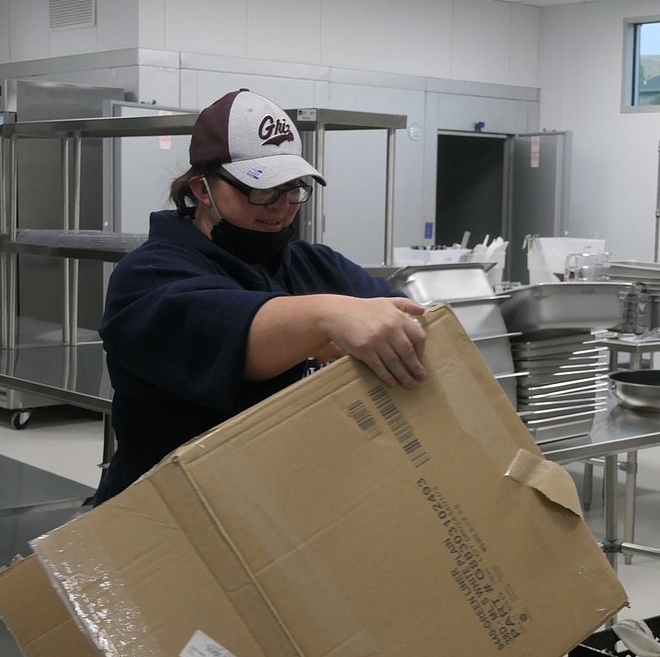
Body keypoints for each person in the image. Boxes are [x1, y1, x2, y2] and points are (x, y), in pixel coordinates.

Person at [93, 89, 427, 504]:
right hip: (170, 511)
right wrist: (327, 316)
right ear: (202, 189)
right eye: (261, 189)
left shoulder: (315, 266)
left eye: (293, 189)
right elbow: (240, 336)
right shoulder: (149, 275)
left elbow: (404, 323)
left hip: (292, 502)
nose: (281, 207)